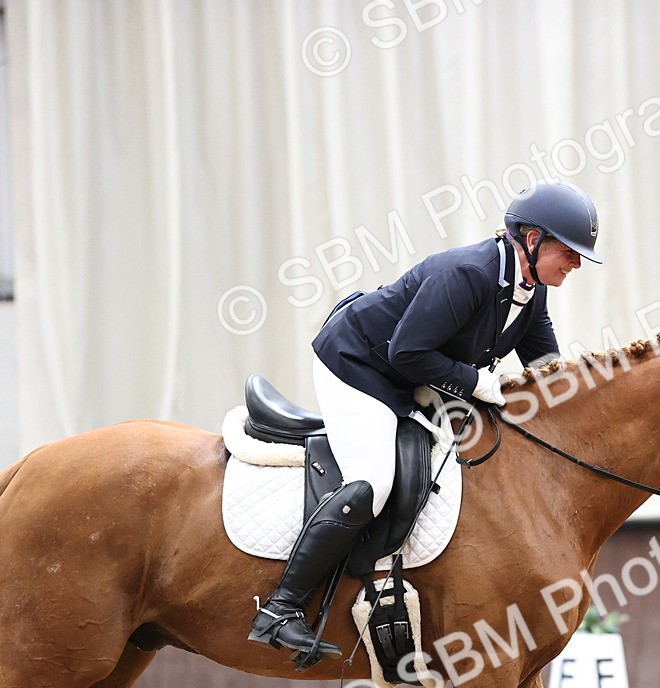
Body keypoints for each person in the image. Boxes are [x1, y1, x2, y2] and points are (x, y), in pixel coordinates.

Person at [248, 181, 602, 661]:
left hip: (411, 374)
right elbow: (408, 351)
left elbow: (546, 365)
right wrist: (476, 382)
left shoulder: (530, 287)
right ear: (533, 238)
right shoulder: (469, 273)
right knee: (373, 481)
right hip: (357, 365)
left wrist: (590, 405)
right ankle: (280, 608)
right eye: (569, 251)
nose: (576, 263)